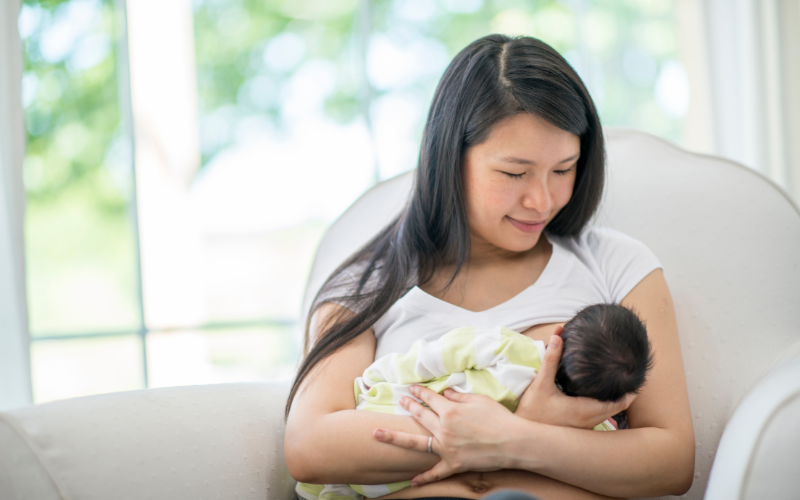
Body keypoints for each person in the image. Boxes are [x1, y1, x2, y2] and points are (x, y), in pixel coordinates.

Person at [284, 34, 694, 500]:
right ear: (449, 160)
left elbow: (670, 459)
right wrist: (518, 429)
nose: (542, 200)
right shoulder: (369, 285)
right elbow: (309, 446)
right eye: (514, 173)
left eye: (564, 169)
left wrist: (516, 439)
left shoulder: (617, 266)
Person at [296, 303, 653, 500]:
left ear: (557, 333)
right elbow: (309, 450)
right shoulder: (593, 424)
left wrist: (376, 381)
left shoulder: (506, 346)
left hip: (390, 441)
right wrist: (530, 428)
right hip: (392, 459)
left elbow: (434, 356)